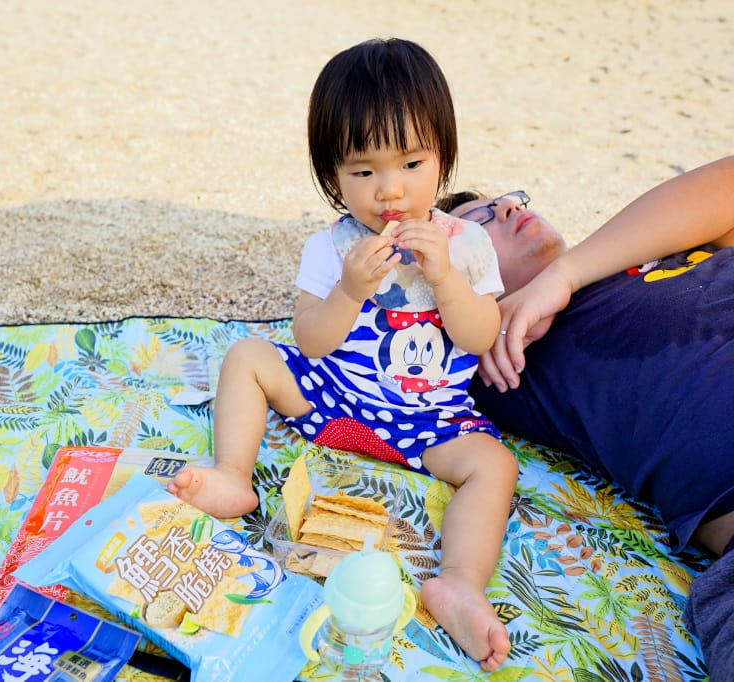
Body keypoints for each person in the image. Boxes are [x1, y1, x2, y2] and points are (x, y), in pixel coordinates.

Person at [168, 38, 516, 672]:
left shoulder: (467, 246)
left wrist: (447, 281)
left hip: (429, 420)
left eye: (412, 163)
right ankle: (233, 477)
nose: (390, 191)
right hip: (335, 399)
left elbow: (479, 336)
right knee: (248, 354)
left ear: (443, 154)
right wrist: (350, 288)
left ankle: (459, 582)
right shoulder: (330, 249)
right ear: (332, 175)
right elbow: (312, 341)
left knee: (494, 466)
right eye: (363, 172)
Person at [439, 155, 734, 681]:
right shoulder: (491, 363)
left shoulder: (644, 248)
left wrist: (566, 275)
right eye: (478, 224)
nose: (507, 207)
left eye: (508, 200)